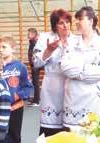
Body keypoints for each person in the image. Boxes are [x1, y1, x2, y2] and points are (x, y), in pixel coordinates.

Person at [60, 6, 100, 128]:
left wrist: (77, 72)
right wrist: (86, 69)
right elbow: (65, 67)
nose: (77, 22)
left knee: (93, 138)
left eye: (80, 19)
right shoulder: (70, 42)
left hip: (94, 99)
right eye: (76, 19)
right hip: (73, 97)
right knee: (73, 140)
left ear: (91, 21)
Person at [33, 8, 73, 136]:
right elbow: (36, 63)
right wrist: (48, 50)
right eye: (61, 23)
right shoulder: (45, 37)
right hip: (52, 86)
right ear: (54, 25)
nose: (65, 25)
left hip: (71, 85)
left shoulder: (76, 39)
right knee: (50, 124)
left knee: (69, 124)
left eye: (67, 21)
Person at [0, 36, 34, 143]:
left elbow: (28, 86)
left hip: (15, 107)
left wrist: (18, 95)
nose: (0, 50)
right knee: (3, 137)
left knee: (14, 137)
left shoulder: (20, 67)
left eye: (4, 47)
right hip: (0, 108)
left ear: (13, 49)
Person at [27, 27, 42, 106]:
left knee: (35, 82)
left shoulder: (37, 42)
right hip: (33, 64)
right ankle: (37, 98)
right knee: (34, 82)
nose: (27, 35)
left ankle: (36, 101)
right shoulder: (31, 41)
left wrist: (35, 60)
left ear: (34, 34)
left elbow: (38, 52)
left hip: (36, 64)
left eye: (29, 33)